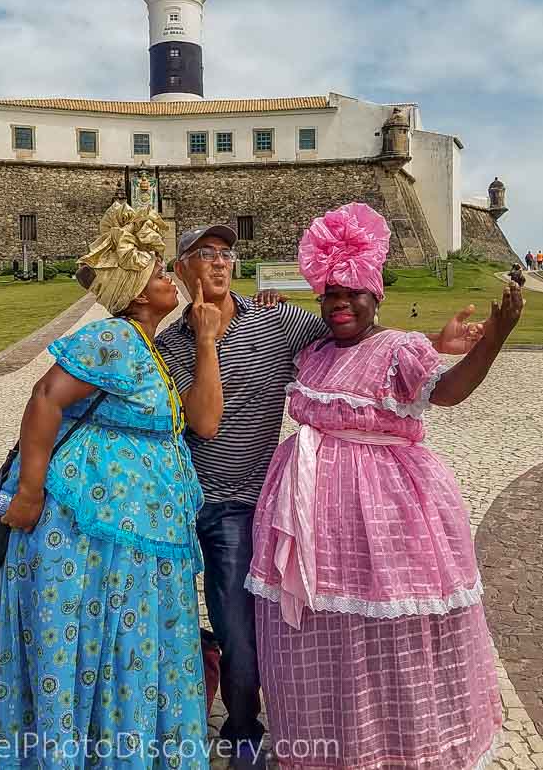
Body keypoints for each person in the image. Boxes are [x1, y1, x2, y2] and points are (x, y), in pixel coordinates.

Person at [156, 222, 487, 766]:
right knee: (162, 620)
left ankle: (243, 730)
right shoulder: (169, 344)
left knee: (243, 631)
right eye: (202, 253)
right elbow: (196, 420)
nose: (218, 262)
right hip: (180, 499)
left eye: (225, 253)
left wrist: (432, 342)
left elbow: (355, 339)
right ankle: (171, 704)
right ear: (181, 269)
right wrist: (200, 338)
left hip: (244, 503)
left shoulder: (275, 319)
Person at [246, 203, 521, 770]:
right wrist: (266, 308)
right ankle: (328, 740)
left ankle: (402, 745)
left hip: (389, 509)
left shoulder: (402, 348)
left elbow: (445, 392)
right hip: (306, 510)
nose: (340, 303)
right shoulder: (314, 352)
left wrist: (494, 340)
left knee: (392, 621)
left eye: (352, 294)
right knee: (324, 628)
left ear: (377, 298)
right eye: (330, 295)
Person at [0, 203, 222, 770]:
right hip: (87, 529)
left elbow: (203, 423)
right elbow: (46, 398)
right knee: (83, 638)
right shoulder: (115, 338)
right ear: (137, 293)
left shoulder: (146, 347)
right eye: (159, 275)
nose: (170, 279)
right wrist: (28, 492)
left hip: (129, 532)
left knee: (108, 640)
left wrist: (206, 341)